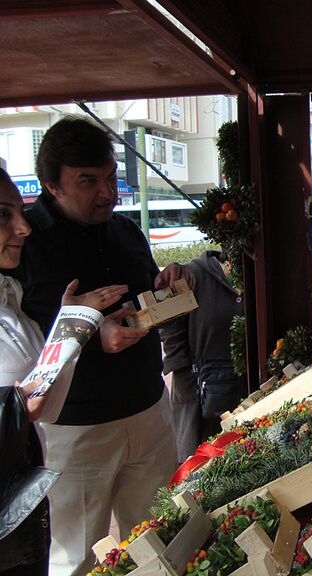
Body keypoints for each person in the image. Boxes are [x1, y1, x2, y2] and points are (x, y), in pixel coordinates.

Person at [16, 117, 192, 576]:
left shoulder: (126, 230)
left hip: (149, 409)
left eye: (111, 177)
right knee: (75, 555)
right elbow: (22, 342)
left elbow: (140, 302)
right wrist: (93, 339)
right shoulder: (25, 245)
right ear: (51, 186)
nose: (107, 193)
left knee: (157, 538)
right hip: (75, 430)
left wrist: (166, 287)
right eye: (88, 181)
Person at [0, 168, 127, 576]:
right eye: (4, 215)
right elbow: (28, 402)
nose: (23, 228)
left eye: (21, 212)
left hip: (19, 501)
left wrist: (76, 325)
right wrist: (77, 324)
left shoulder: (9, 297)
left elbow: (41, 398)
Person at [159, 248, 246, 463]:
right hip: (199, 400)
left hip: (248, 396)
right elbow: (170, 331)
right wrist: (186, 377)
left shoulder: (260, 273)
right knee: (199, 472)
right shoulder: (191, 275)